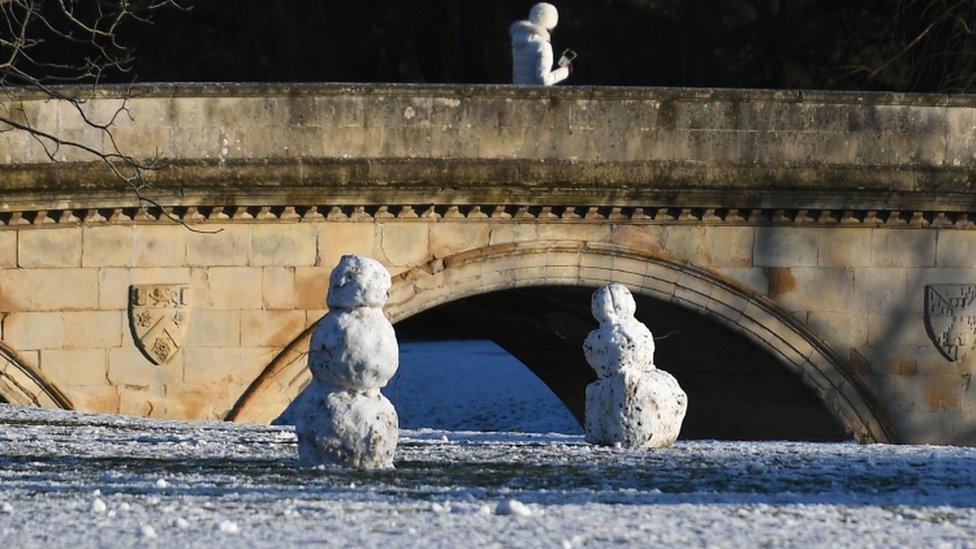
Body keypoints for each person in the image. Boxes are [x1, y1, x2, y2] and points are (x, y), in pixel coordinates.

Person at [510, 3, 571, 86]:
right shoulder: (542, 45)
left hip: (519, 95)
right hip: (536, 96)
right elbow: (544, 80)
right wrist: (565, 71)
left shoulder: (518, 43)